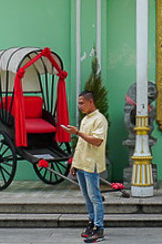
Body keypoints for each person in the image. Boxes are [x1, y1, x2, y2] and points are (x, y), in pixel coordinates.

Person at [66, 90, 109, 243]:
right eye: (79, 103)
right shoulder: (85, 119)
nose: (80, 106)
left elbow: (97, 141)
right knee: (86, 196)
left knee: (95, 196)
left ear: (91, 102)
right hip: (82, 163)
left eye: (82, 103)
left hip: (92, 163)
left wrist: (77, 132)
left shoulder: (100, 119)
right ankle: (91, 222)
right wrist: (75, 163)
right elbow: (81, 144)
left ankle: (99, 227)